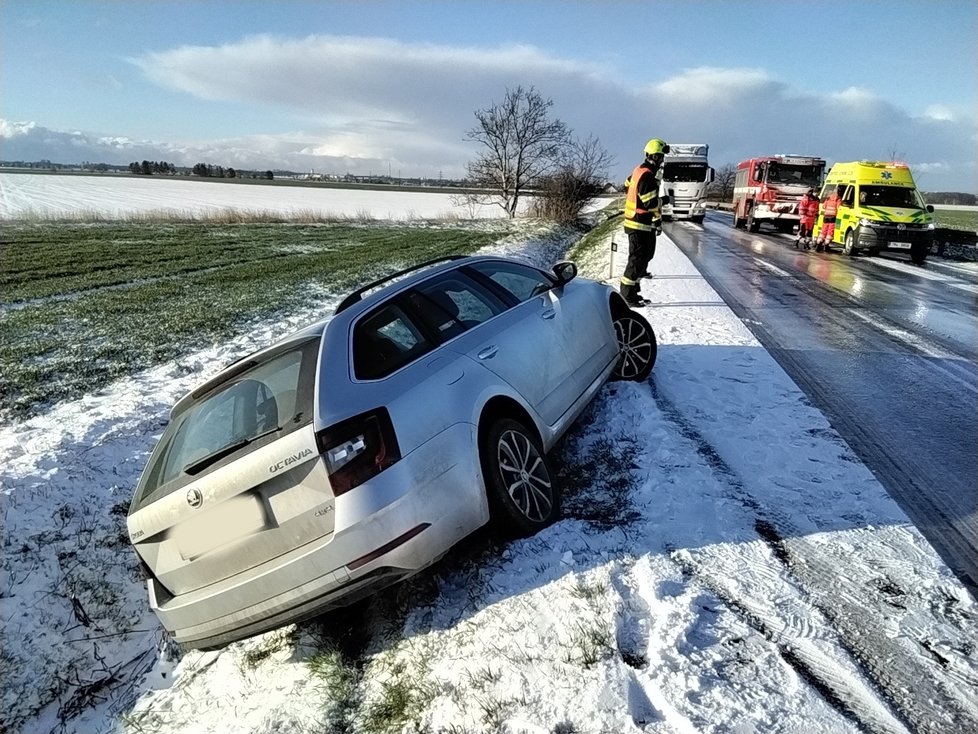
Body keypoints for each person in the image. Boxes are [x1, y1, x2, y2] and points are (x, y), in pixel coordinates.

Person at [619, 138, 669, 306]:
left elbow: (627, 185)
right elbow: (651, 203)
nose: (662, 161)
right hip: (639, 224)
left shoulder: (639, 170)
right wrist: (664, 201)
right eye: (661, 157)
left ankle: (633, 291)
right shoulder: (647, 175)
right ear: (655, 157)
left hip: (640, 223)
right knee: (637, 260)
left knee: (645, 257)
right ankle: (627, 295)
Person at [815, 186, 841, 252]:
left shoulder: (828, 198)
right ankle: (826, 245)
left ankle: (819, 243)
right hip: (833, 217)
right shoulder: (838, 199)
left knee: (824, 230)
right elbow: (839, 208)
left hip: (826, 216)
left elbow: (824, 206)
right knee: (830, 231)